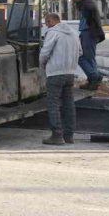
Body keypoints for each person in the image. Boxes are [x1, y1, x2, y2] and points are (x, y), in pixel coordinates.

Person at [39, 13, 81, 145]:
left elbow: (45, 52)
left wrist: (42, 65)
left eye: (46, 23)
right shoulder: (74, 33)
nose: (46, 26)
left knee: (53, 104)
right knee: (69, 105)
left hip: (55, 73)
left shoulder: (53, 33)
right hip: (69, 73)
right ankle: (69, 136)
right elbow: (80, 52)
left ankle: (57, 135)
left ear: (51, 21)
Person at [73, 0, 105, 90]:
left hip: (89, 33)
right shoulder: (85, 4)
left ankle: (95, 77)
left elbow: (91, 9)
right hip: (86, 33)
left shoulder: (88, 3)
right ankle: (93, 80)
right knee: (89, 58)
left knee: (82, 57)